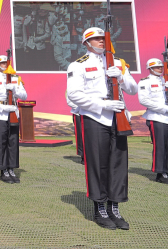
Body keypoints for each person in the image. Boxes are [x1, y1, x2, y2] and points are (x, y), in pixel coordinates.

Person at [67, 27, 138, 230]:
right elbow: (74, 94)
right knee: (98, 164)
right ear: (86, 43)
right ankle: (100, 208)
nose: (100, 41)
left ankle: (114, 207)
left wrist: (121, 77)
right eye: (95, 39)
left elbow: (132, 89)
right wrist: (102, 105)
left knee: (118, 164)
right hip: (95, 117)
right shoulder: (78, 65)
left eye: (102, 38)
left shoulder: (118, 63)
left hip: (118, 118)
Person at [0, 55, 27, 184]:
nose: (4, 65)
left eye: (6, 63)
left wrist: (15, 89)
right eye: (2, 63)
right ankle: (3, 170)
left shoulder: (16, 78)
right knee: (1, 142)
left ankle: (11, 168)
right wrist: (2, 107)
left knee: (13, 141)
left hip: (13, 113)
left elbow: (24, 96)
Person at [137, 58, 168, 184]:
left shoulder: (164, 80)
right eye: (156, 67)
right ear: (149, 69)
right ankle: (160, 172)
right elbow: (144, 100)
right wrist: (165, 109)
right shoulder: (145, 82)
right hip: (156, 117)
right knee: (160, 146)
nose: (160, 69)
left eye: (161, 66)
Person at [67, 91, 83, 164]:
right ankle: (83, 156)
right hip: (78, 113)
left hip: (92, 113)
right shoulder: (73, 84)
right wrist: (82, 107)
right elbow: (69, 101)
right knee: (81, 135)